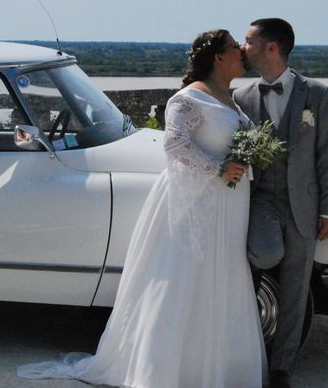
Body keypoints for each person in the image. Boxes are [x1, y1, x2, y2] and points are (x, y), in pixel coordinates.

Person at [18, 29, 265, 387]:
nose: (242, 52)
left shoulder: (232, 99)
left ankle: (216, 368)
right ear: (218, 57)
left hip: (229, 204)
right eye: (234, 48)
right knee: (184, 282)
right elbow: (176, 145)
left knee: (222, 278)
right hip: (194, 204)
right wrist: (219, 167)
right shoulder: (187, 99)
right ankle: (167, 370)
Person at [233, 18, 328, 388]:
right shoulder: (242, 97)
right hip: (261, 200)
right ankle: (249, 348)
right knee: (263, 255)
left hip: (305, 206)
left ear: (271, 47)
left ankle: (281, 369)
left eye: (248, 41)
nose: (241, 46)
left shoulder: (318, 95)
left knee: (297, 288)